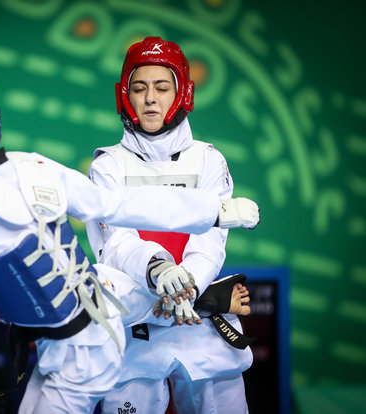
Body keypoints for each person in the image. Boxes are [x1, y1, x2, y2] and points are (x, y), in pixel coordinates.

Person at [0, 62, 260, 413]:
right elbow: (115, 204)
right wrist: (214, 212)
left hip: (74, 361)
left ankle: (206, 298)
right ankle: (208, 299)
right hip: (103, 314)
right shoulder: (33, 166)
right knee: (112, 282)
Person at [86, 37, 254, 413]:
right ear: (124, 95)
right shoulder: (107, 166)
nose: (150, 98)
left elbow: (210, 242)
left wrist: (186, 285)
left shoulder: (210, 161)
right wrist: (158, 270)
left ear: (183, 94)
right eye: (139, 87)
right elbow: (113, 244)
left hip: (200, 323)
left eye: (162, 87)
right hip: (134, 329)